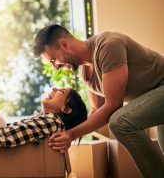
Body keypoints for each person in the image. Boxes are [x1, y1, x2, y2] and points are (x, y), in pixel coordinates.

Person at [33, 24, 164, 178]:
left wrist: (71, 135)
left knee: (119, 122)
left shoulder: (108, 46)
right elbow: (97, 111)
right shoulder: (85, 74)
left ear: (64, 44)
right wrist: (61, 132)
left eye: (53, 60)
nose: (55, 68)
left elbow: (113, 106)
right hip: (155, 102)